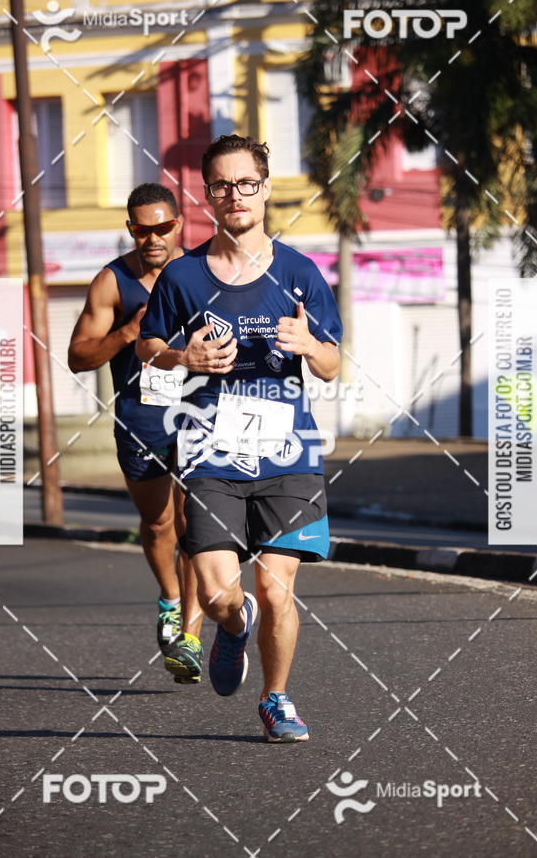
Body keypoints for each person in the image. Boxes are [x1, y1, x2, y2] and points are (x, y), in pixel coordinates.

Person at [137, 135, 342, 742]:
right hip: (209, 451)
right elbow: (149, 348)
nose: (235, 195)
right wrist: (183, 355)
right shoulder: (184, 275)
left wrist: (309, 347)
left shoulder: (301, 272)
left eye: (246, 182)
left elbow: (332, 364)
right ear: (209, 196)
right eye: (222, 186)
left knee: (277, 591)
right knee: (219, 592)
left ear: (266, 187)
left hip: (289, 452)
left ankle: (276, 699)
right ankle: (230, 628)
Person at [68, 183, 203, 683]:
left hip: (196, 414)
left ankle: (189, 636)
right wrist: (127, 332)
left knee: (195, 525)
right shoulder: (112, 282)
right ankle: (169, 597)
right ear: (131, 230)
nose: (153, 238)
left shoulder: (201, 273)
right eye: (142, 229)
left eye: (162, 227)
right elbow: (78, 357)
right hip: (140, 418)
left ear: (179, 224)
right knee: (159, 524)